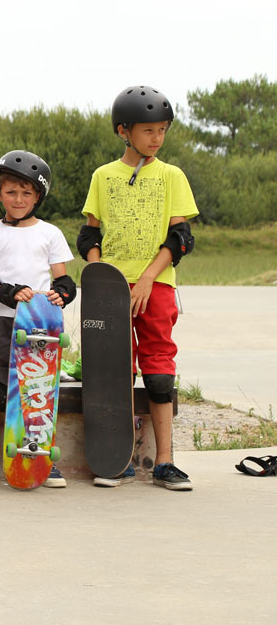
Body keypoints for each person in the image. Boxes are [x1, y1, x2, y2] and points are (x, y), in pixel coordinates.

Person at [78, 86, 198, 491]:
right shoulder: (103, 176)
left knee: (159, 374)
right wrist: (99, 277)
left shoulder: (171, 175)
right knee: (115, 372)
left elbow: (180, 237)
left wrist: (148, 276)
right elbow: (88, 235)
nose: (157, 139)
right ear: (123, 131)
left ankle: (164, 461)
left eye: (162, 130)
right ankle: (119, 459)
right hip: (111, 287)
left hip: (157, 284)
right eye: (149, 131)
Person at [0, 151, 75, 488]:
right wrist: (8, 291)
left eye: (26, 193)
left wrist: (62, 294)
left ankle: (42, 456)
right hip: (0, 321)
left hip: (39, 326)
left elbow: (64, 281)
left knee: (38, 392)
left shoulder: (50, 233)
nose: (18, 199)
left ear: (38, 197)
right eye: (11, 192)